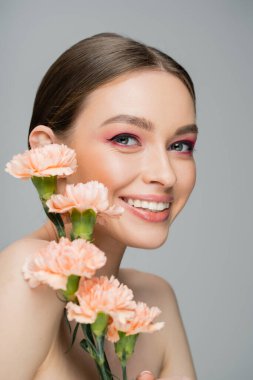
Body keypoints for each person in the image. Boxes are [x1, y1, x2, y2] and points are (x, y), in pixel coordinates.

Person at [0, 32, 198, 380]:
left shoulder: (155, 300)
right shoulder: (27, 275)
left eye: (180, 145)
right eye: (125, 138)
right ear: (49, 152)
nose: (165, 175)